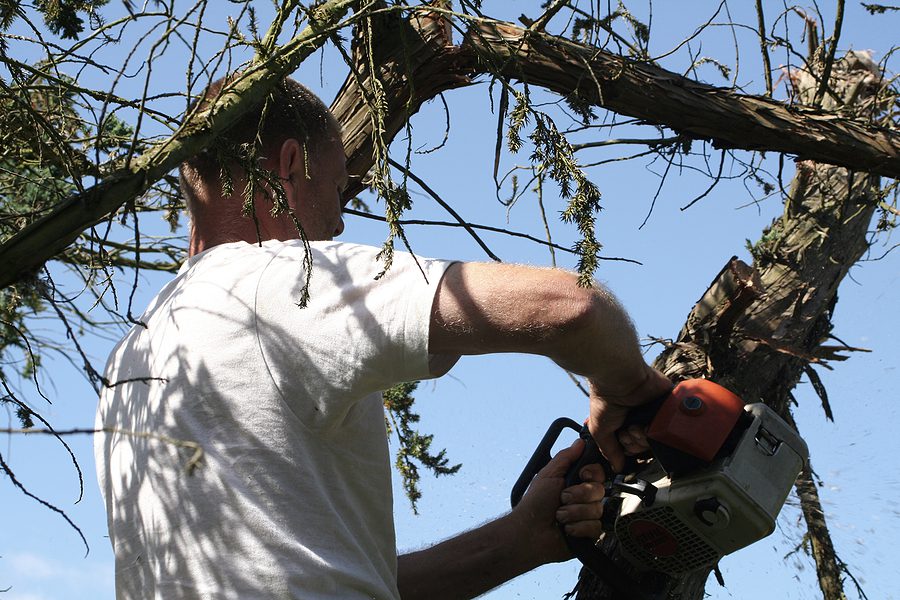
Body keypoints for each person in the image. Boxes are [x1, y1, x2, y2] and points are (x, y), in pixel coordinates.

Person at [94, 75, 672, 599]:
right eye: (338, 189)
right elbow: (570, 307)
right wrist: (629, 388)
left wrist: (518, 542)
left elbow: (339, 578)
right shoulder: (280, 284)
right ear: (290, 167)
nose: (341, 221)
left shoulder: (132, 361)